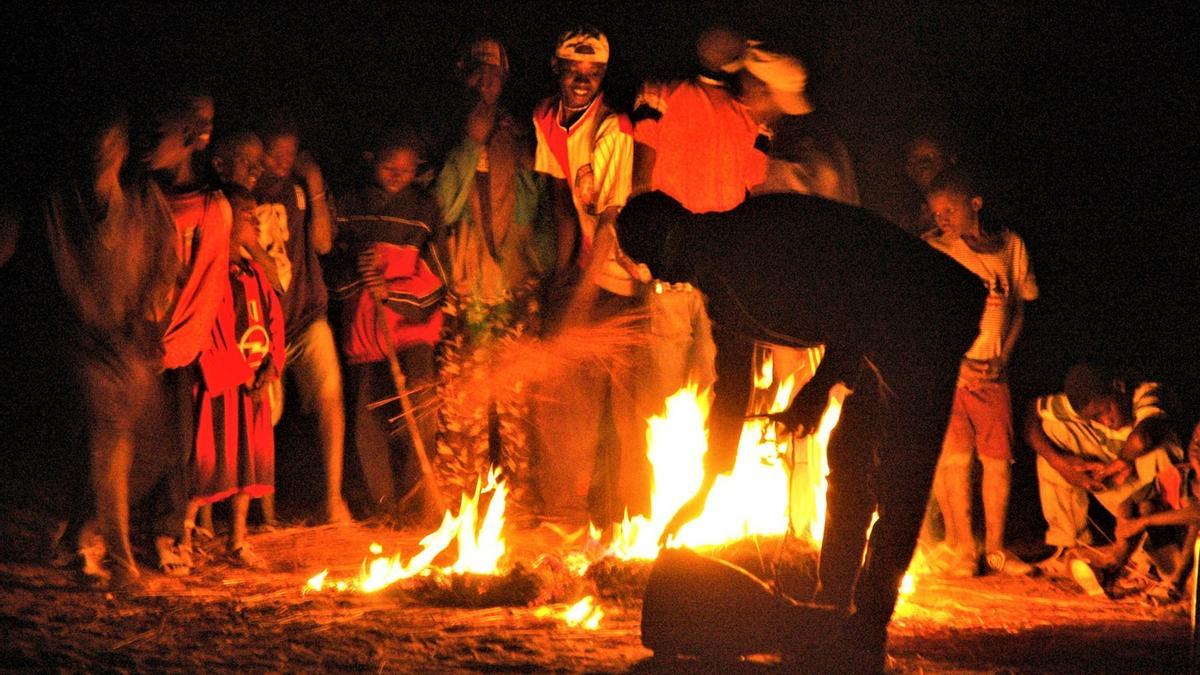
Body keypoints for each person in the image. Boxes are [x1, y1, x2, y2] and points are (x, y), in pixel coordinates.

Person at [618, 190, 984, 671]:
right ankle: (832, 610)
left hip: (928, 309)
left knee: (900, 477)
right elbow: (732, 390)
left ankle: (867, 626)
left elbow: (858, 302)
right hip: (878, 332)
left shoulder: (752, 244)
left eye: (651, 265)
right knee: (850, 461)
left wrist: (816, 391)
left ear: (669, 243)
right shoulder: (723, 294)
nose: (660, 280)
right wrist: (705, 488)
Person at [529, 25, 640, 527]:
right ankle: (568, 509)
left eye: (594, 74)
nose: (584, 81)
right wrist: (563, 274)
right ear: (558, 69)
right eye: (575, 71)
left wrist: (581, 295)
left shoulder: (614, 129)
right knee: (571, 391)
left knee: (623, 404)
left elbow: (615, 222)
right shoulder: (546, 118)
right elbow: (561, 202)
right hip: (589, 268)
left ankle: (626, 515)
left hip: (626, 276)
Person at [434, 37, 543, 519]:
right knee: (464, 401)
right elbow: (440, 208)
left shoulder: (517, 135)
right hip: (466, 287)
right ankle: (457, 507)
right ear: (464, 78)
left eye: (494, 75)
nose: (486, 84)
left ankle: (517, 501)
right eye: (479, 75)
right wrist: (469, 143)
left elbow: (530, 212)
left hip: (510, 286)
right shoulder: (450, 134)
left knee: (517, 400)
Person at [922, 169, 1038, 576]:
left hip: (994, 376)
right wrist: (955, 361)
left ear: (975, 203)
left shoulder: (1010, 246)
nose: (942, 219)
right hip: (952, 376)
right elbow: (924, 319)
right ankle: (963, 548)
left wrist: (1004, 357)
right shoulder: (934, 249)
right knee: (954, 460)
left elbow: (1021, 305)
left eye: (949, 210)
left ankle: (996, 549)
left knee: (997, 462)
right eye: (936, 212)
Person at [332, 130, 448, 519]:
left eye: (406, 169)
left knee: (419, 409)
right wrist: (356, 269)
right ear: (370, 160)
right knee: (368, 419)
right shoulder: (349, 205)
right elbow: (330, 270)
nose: (397, 175)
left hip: (412, 330)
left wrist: (392, 292)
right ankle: (381, 507)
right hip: (365, 331)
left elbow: (438, 276)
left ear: (418, 168)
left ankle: (418, 503)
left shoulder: (426, 209)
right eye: (388, 167)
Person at [253, 115, 351, 525]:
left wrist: (314, 184)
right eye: (275, 153)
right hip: (262, 320)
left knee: (330, 399)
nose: (282, 161)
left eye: (290, 154)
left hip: (307, 313)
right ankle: (265, 513)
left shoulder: (299, 190)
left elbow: (324, 243)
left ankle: (333, 499)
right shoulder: (246, 191)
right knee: (262, 416)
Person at [182, 186, 284, 569]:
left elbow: (274, 321)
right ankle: (184, 537)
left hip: (252, 387)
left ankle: (238, 540)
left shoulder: (253, 273)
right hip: (219, 386)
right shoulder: (208, 273)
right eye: (247, 215)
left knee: (247, 465)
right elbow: (203, 330)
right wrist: (237, 372)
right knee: (206, 462)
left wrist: (271, 367)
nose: (255, 223)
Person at [1024, 361, 1182, 594]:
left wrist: (1122, 461)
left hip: (1156, 498)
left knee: (1160, 447)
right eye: (1095, 418)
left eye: (1106, 410)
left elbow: (1143, 439)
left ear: (1119, 386)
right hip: (1120, 487)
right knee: (1050, 432)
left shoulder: (1147, 392)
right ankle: (1067, 547)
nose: (1105, 421)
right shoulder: (1085, 402)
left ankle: (1154, 558)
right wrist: (1062, 465)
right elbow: (1031, 412)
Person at [738, 45, 860, 206]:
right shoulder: (824, 137)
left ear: (766, 93)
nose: (742, 100)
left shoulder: (787, 162)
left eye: (747, 90)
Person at [896, 135, 956, 236]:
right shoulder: (906, 216)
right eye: (915, 158)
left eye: (932, 155)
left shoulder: (966, 204)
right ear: (907, 168)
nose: (924, 164)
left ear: (950, 160)